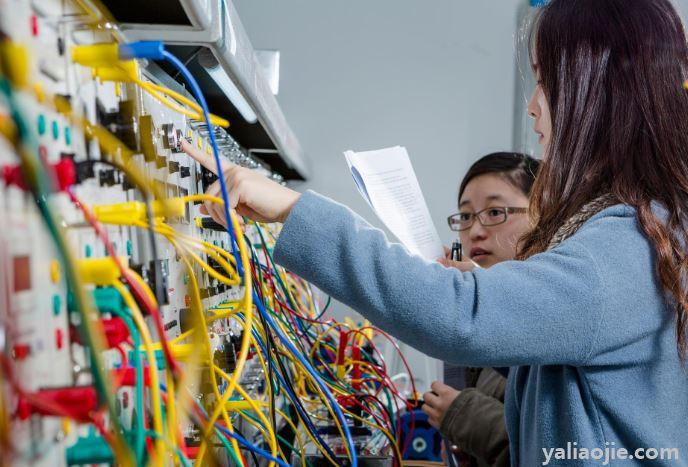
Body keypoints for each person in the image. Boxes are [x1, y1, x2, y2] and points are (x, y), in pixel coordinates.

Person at [183, 0, 688, 464]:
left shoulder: (624, 246)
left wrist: (295, 211)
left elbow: (458, 316)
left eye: (544, 79)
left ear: (594, 90)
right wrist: (494, 297)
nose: (533, 105)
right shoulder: (644, 229)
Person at [423, 152, 540, 467]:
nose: (475, 230)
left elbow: (556, 450)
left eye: (495, 212)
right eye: (465, 216)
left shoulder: (550, 319)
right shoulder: (482, 307)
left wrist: (463, 415)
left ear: (544, 214)